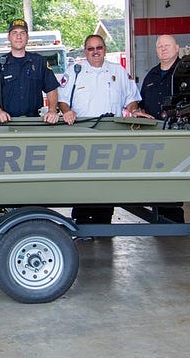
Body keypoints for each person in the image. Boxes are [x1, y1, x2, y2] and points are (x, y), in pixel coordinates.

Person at [55, 34, 148, 225]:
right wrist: (67, 111)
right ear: (85, 52)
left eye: (99, 47)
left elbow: (130, 98)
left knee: (107, 179)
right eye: (90, 48)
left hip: (110, 133)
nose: (95, 51)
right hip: (82, 133)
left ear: (105, 49)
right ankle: (80, 221)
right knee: (82, 180)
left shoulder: (118, 71)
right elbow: (62, 100)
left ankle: (104, 221)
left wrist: (135, 110)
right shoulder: (75, 71)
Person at [137, 34, 187, 222]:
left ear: (177, 48)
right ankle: (158, 216)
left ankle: (173, 221)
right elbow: (141, 102)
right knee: (155, 177)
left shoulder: (187, 72)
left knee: (173, 180)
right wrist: (139, 112)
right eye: (159, 46)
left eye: (167, 45)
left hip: (177, 136)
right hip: (153, 135)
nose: (163, 49)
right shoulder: (152, 74)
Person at [0, 18, 61, 125]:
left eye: (22, 33)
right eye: (14, 33)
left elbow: (51, 88)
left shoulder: (40, 62)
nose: (18, 37)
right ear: (9, 37)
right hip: (5, 122)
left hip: (34, 121)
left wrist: (52, 110)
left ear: (27, 37)